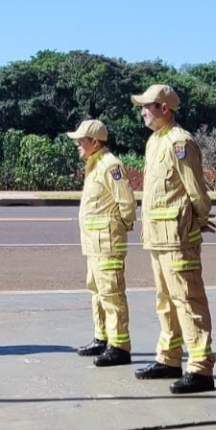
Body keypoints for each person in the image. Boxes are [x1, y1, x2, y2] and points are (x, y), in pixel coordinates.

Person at [130, 84, 216, 394]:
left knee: (188, 300)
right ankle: (169, 359)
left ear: (164, 109)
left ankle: (200, 368)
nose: (142, 111)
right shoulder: (155, 141)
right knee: (165, 301)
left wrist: (201, 218)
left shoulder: (181, 142)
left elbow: (196, 190)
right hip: (157, 237)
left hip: (178, 238)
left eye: (147, 106)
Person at [68, 119, 137, 367]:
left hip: (107, 243)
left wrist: (120, 228)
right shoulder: (94, 165)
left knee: (111, 293)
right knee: (96, 291)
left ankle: (119, 347)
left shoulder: (110, 165)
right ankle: (102, 337)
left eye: (81, 140)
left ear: (95, 142)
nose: (77, 144)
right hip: (94, 244)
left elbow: (126, 203)